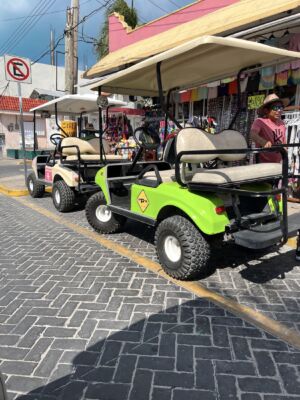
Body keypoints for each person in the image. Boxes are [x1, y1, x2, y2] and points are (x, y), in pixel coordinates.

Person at [250, 94, 288, 163]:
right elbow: (252, 134)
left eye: (281, 107)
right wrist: (263, 142)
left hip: (279, 163)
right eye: (275, 108)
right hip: (263, 164)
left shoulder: (282, 123)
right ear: (266, 110)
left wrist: (286, 158)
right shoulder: (260, 121)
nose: (279, 110)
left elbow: (284, 143)